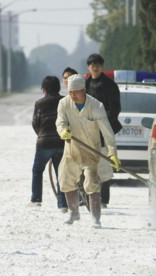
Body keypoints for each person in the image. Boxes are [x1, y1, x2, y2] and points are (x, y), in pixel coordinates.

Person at [56, 74, 121, 228]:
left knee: (92, 181)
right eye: (70, 92)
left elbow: (107, 131)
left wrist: (113, 153)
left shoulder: (96, 106)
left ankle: (95, 218)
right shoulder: (64, 104)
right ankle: (73, 212)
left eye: (76, 92)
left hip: (92, 150)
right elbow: (60, 121)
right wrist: (63, 130)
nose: (73, 96)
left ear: (84, 90)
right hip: (71, 150)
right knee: (65, 179)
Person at [85, 53, 122, 208]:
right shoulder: (84, 84)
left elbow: (115, 108)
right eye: (92, 64)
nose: (95, 66)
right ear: (89, 66)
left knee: (104, 166)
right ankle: (87, 198)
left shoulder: (110, 85)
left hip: (104, 131)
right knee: (86, 166)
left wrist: (103, 123)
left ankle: (104, 200)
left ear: (102, 66)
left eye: (98, 64)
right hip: (87, 131)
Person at [29, 76, 68, 213]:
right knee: (61, 173)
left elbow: (35, 123)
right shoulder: (65, 101)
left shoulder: (39, 103)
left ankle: (36, 200)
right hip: (61, 142)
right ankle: (63, 204)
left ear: (44, 89)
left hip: (44, 143)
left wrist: (42, 134)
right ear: (58, 88)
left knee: (37, 170)